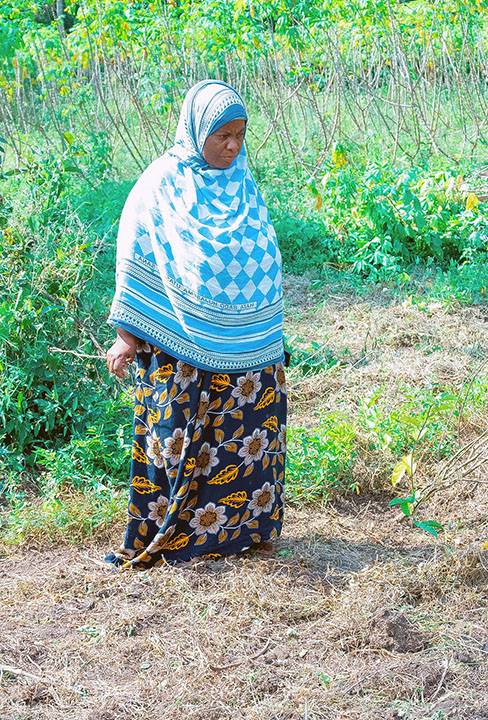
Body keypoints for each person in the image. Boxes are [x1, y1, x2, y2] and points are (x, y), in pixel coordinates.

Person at [103, 79, 286, 568]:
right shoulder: (161, 183)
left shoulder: (243, 183)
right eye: (221, 135)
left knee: (246, 437)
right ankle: (176, 536)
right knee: (177, 439)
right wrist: (126, 338)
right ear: (196, 130)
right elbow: (137, 252)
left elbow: (260, 254)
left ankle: (242, 533)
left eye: (240, 134)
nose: (232, 145)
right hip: (180, 344)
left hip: (248, 350)